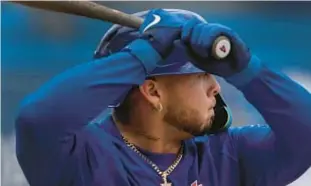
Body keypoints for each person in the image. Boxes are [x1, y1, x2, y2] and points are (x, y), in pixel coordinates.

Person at [15, 9, 311, 186]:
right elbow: (37, 119)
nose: (216, 88)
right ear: (152, 91)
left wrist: (247, 69)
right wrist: (144, 55)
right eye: (201, 75)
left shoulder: (228, 154)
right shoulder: (83, 157)